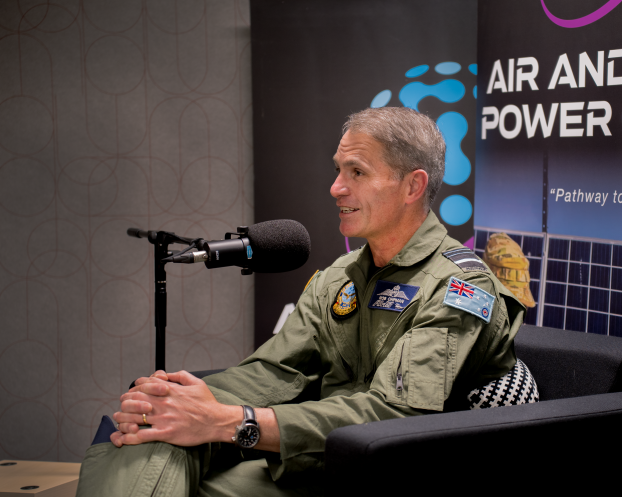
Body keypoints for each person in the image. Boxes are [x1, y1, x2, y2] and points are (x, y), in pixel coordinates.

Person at [76, 107, 527, 496]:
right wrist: (181, 401)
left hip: (395, 471)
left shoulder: (461, 285)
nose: (335, 188)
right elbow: (275, 372)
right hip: (316, 457)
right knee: (150, 434)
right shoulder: (338, 278)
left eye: (357, 172)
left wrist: (230, 421)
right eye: (338, 170)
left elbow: (395, 415)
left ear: (412, 186)